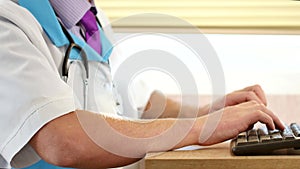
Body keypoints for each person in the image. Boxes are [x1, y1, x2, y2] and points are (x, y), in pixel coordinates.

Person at [0, 0, 285, 169]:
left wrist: (208, 111)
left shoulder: (90, 20)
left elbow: (136, 110)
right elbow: (60, 138)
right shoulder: (8, 21)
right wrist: (202, 128)